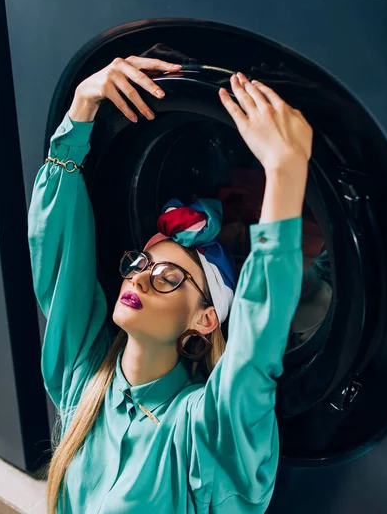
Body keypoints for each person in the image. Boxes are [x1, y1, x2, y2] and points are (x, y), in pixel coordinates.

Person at [28, 55, 313, 514]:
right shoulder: (83, 384)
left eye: (168, 277)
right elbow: (58, 261)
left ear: (204, 319)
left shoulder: (200, 432)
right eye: (142, 263)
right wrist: (82, 104)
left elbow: (253, 357)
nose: (140, 276)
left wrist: (285, 171)